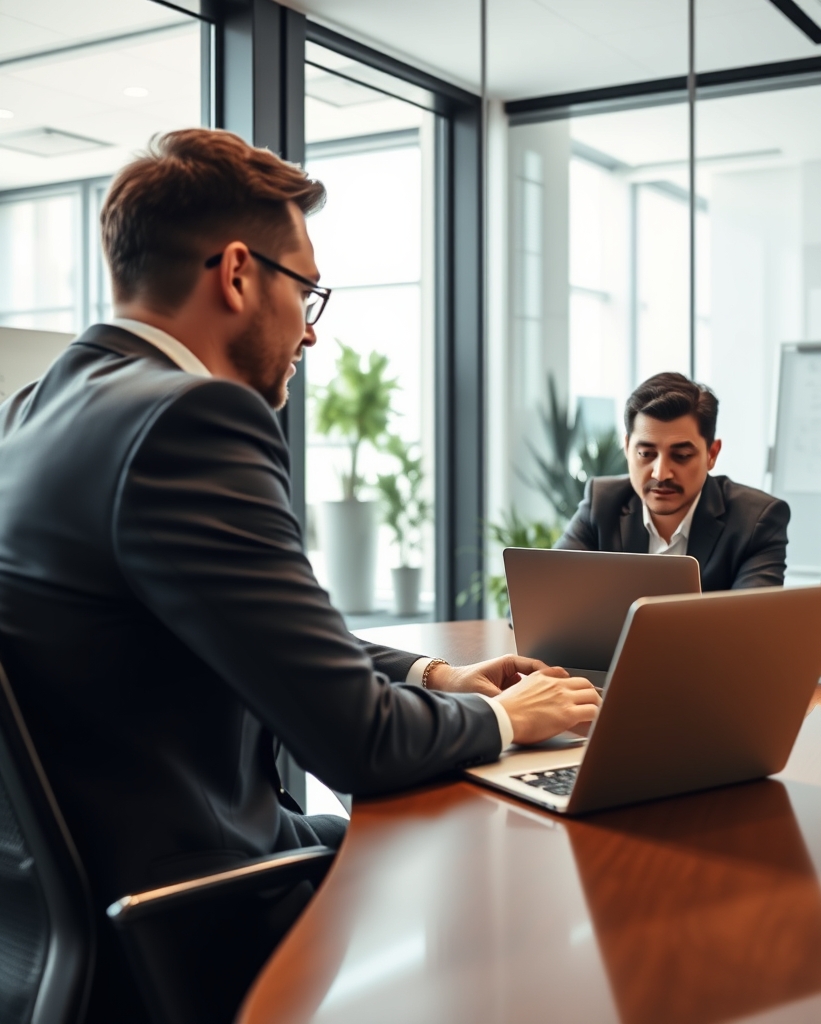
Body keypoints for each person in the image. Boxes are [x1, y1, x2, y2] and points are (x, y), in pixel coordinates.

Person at [0, 129, 599, 1018]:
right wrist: (502, 719)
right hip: (190, 907)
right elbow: (357, 744)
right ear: (238, 274)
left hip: (70, 906)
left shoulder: (35, 411)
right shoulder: (192, 418)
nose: (312, 327)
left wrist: (435, 676)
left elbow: (244, 622)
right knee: (508, 884)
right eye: (306, 289)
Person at [555, 372, 790, 591]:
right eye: (646, 454)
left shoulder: (756, 521)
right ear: (627, 448)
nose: (660, 473)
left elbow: (751, 626)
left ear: (712, 454)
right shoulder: (602, 503)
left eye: (681, 456)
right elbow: (544, 594)